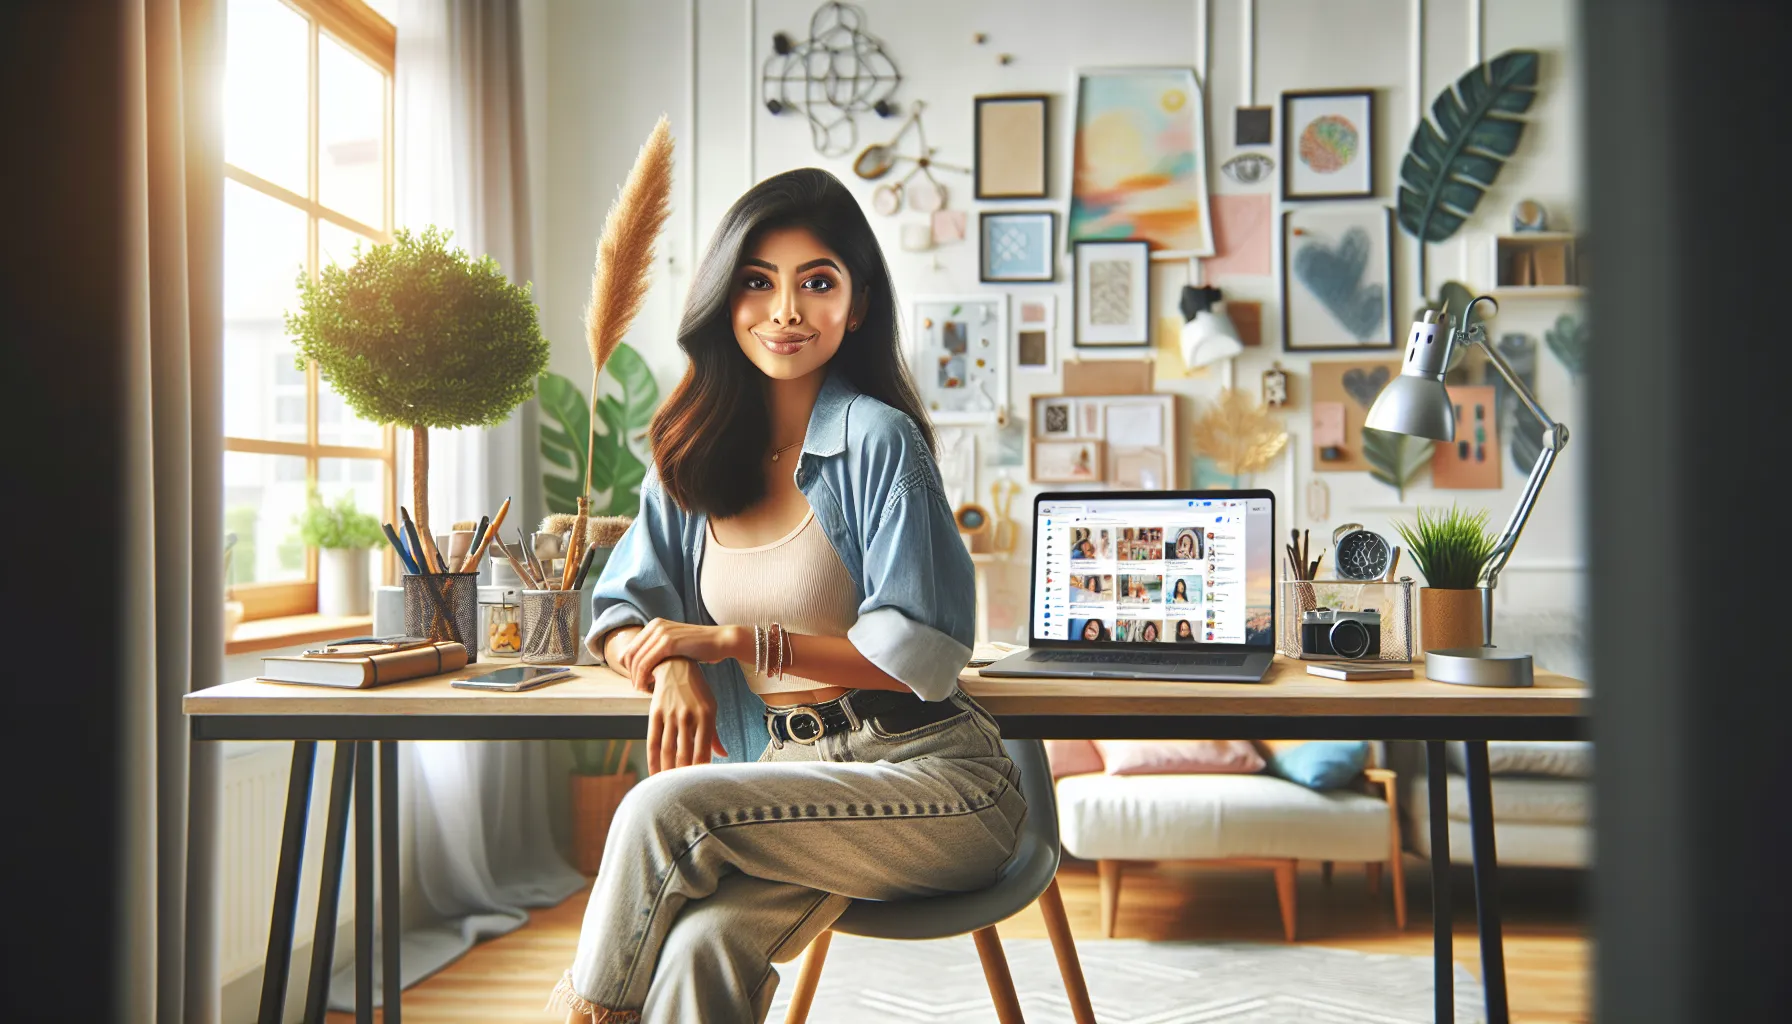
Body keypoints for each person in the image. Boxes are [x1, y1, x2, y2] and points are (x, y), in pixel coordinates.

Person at [551, 168, 1024, 1024]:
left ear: (859, 303)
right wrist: (668, 671)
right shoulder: (688, 452)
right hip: (790, 780)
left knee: (666, 807)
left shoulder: (881, 442)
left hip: (934, 783)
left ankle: (581, 1016)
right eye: (758, 283)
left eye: (817, 283)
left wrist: (730, 642)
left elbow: (919, 654)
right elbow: (620, 611)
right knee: (700, 951)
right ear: (725, 298)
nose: (786, 312)